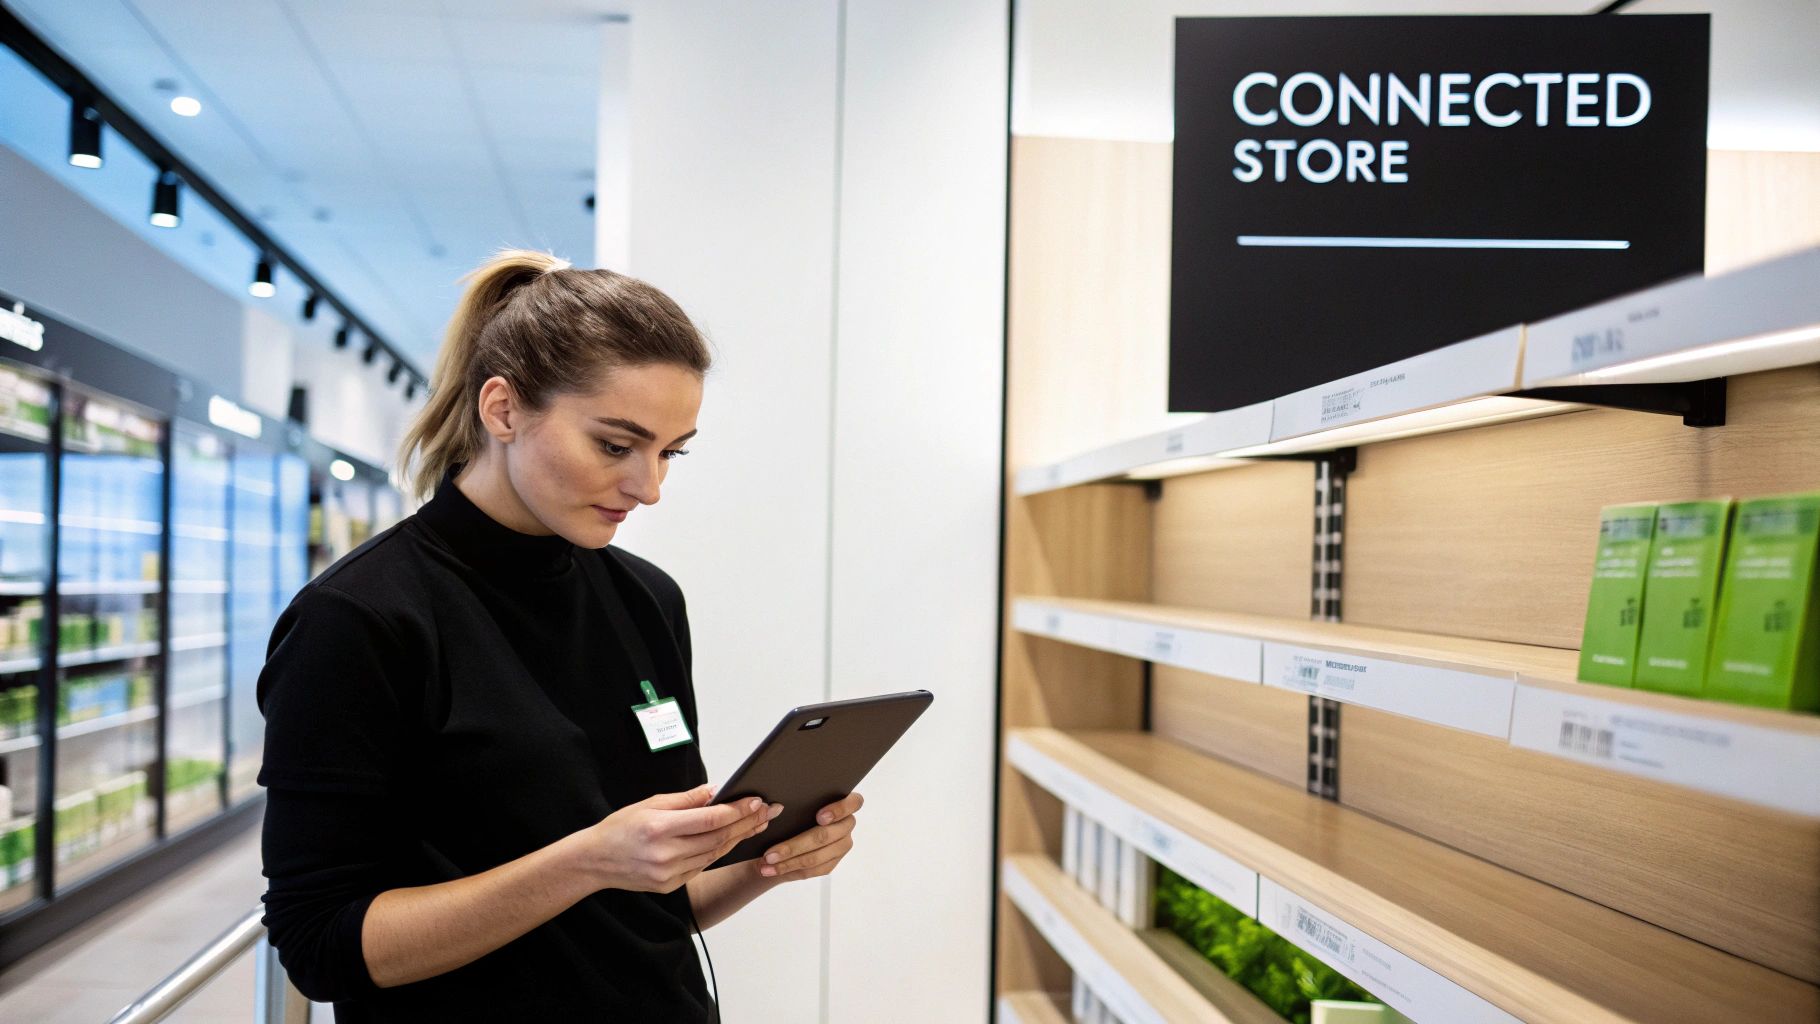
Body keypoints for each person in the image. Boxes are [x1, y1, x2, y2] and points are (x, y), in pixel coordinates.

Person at [257, 250, 862, 1021]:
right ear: (503, 409)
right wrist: (585, 862)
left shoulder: (646, 597)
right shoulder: (360, 619)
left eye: (670, 452)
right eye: (616, 446)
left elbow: (652, 905)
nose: (649, 488)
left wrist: (764, 861)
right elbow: (321, 945)